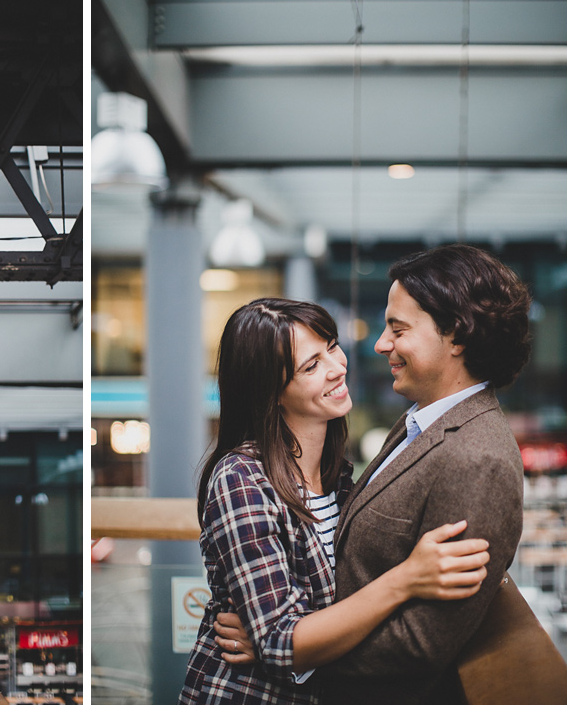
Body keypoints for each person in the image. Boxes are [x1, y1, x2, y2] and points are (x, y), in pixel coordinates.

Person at [215, 245, 532, 705]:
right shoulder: (418, 423)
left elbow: (422, 644)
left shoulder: (478, 460)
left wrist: (291, 648)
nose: (379, 344)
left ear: (456, 337)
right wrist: (283, 638)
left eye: (398, 329)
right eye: (311, 363)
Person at [178, 298, 491, 705]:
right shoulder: (241, 479)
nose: (337, 367)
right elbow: (281, 640)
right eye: (311, 366)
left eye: (332, 346)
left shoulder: (338, 477)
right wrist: (406, 578)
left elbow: (299, 630)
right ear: (270, 392)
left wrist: (289, 643)